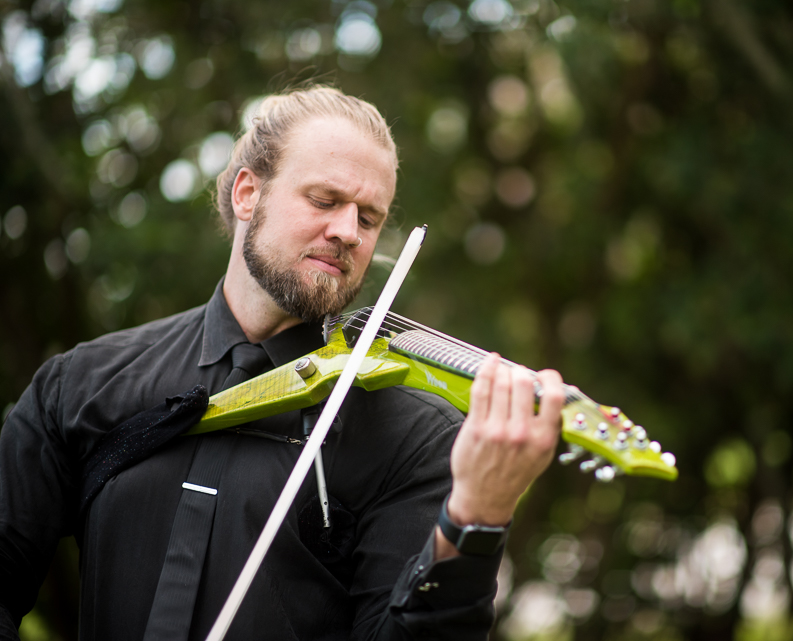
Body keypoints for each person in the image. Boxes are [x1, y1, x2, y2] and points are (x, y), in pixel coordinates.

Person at [0, 85, 565, 640]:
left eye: (368, 219)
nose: (347, 231)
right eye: (324, 200)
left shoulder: (415, 437)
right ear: (248, 194)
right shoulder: (80, 384)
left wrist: (474, 519)